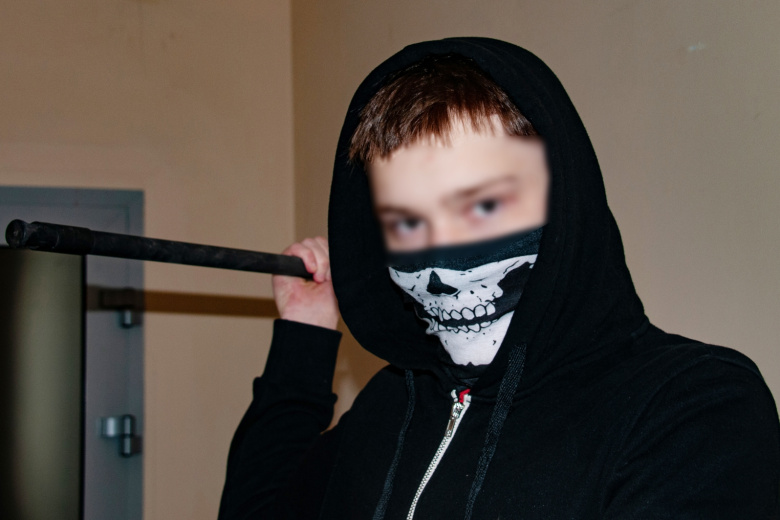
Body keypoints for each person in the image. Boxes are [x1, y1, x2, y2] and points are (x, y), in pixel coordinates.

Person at [218, 38, 780, 519]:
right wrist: (305, 335)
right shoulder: (394, 401)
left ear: (564, 202)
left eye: (483, 206)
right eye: (407, 222)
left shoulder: (693, 405)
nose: (441, 267)